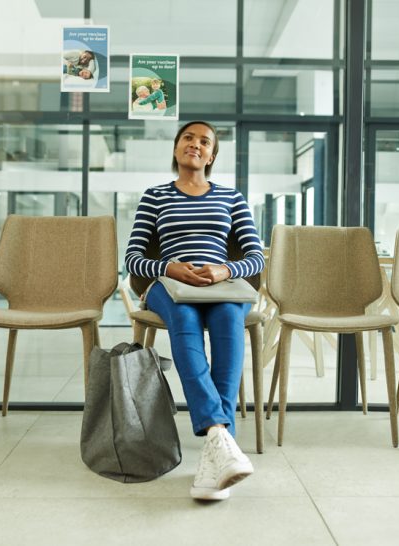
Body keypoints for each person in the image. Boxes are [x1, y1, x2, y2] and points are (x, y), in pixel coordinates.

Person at [124, 121, 264, 501]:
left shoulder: (232, 198)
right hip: (169, 285)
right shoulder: (154, 197)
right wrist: (169, 267)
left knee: (228, 321)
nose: (196, 145)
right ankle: (222, 436)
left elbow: (254, 257)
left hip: (221, 285)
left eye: (205, 142)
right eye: (188, 138)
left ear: (212, 155)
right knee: (184, 322)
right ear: (176, 149)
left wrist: (225, 269)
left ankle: (215, 452)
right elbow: (133, 259)